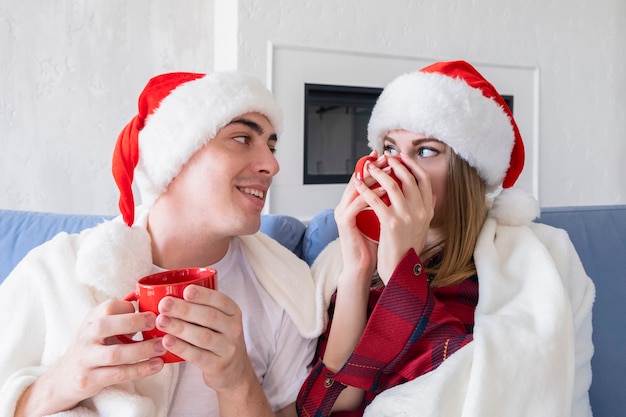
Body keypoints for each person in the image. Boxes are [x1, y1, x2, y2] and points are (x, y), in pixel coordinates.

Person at [0, 71, 327, 416]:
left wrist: (237, 382)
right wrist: (63, 381)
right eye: (243, 138)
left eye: (271, 146)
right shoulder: (54, 270)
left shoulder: (288, 291)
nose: (272, 165)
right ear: (175, 157)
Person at [296, 60, 595, 417]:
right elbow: (324, 407)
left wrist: (401, 274)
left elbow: (481, 396)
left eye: (425, 151)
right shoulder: (348, 261)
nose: (397, 168)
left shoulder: (528, 264)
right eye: (390, 148)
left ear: (467, 171)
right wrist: (358, 272)